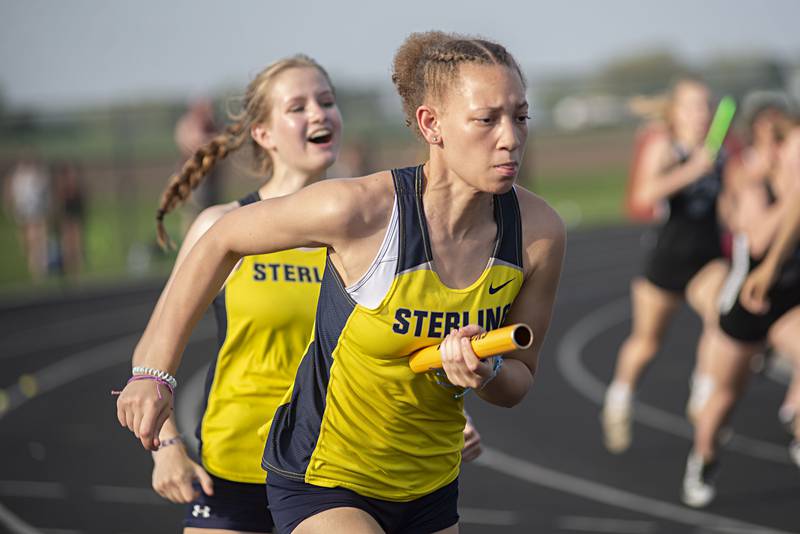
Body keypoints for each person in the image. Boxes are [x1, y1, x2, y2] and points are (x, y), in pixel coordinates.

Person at [117, 31, 564, 534]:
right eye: (487, 119)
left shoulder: (538, 232)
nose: (510, 136)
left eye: (520, 116)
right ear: (431, 123)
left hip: (428, 482)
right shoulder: (360, 210)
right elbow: (220, 237)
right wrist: (155, 375)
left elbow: (518, 380)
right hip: (322, 473)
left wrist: (486, 373)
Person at [602, 78, 729, 453]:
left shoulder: (719, 149)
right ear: (675, 111)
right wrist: (692, 169)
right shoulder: (664, 147)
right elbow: (643, 195)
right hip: (667, 258)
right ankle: (620, 398)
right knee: (646, 343)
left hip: (708, 258)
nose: (701, 113)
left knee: (721, 315)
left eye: (706, 105)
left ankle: (703, 392)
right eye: (692, 106)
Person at [682, 117, 800, 508]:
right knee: (725, 395)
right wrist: (792, 198)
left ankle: (794, 419)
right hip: (748, 301)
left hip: (789, 300)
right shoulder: (755, 188)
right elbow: (761, 237)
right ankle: (703, 458)